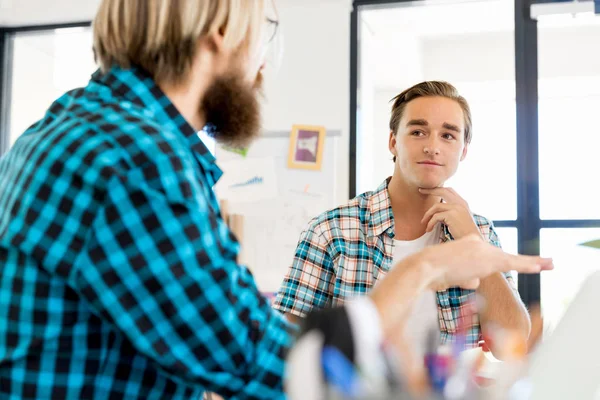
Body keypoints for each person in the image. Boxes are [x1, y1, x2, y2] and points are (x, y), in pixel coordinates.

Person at [0, 1, 552, 398]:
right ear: (220, 30)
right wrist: (429, 266)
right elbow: (268, 363)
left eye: (450, 134)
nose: (262, 66)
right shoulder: (134, 159)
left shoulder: (80, 130)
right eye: (261, 34)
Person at [274, 81, 529, 357]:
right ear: (393, 141)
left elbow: (511, 344)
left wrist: (472, 241)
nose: (433, 147)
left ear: (463, 151)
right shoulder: (331, 231)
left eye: (448, 135)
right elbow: (287, 347)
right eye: (418, 132)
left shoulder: (479, 231)